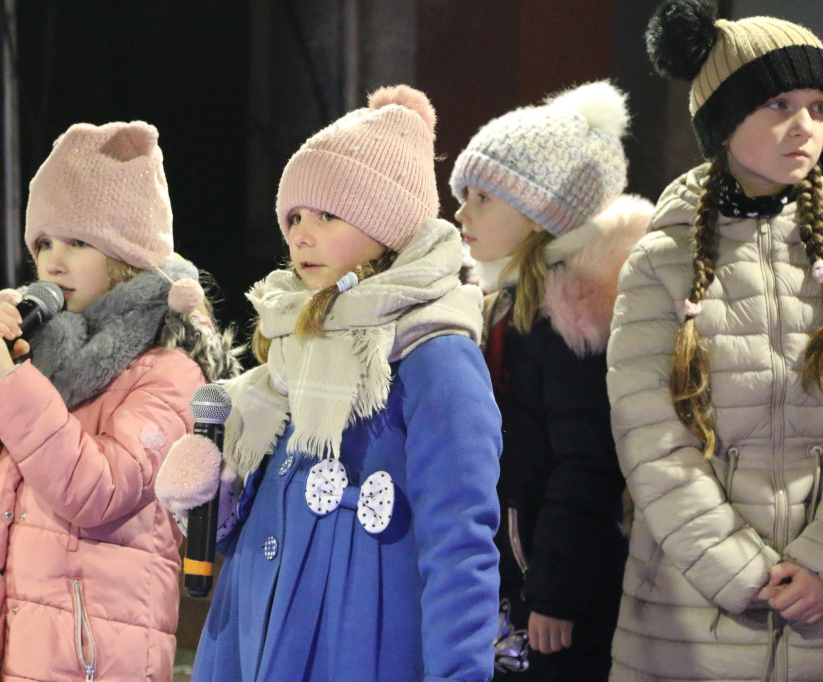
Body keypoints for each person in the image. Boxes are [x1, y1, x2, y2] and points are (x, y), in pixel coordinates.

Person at [155, 85, 502, 681]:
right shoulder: (291, 342)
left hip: (357, 649)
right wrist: (218, 490)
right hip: (253, 643)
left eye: (327, 215)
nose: (300, 234)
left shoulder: (433, 352)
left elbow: (461, 547)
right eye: (292, 217)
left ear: (386, 224)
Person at [0, 120, 240, 680]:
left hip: (95, 658)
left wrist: (8, 382)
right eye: (43, 242)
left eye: (78, 242)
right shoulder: (38, 354)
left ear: (126, 254)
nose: (54, 261)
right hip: (12, 649)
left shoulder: (169, 370)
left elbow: (99, 490)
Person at [607, 1, 823, 679]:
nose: (805, 127)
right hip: (696, 614)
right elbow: (651, 440)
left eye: (819, 106)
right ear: (723, 119)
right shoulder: (661, 260)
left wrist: (817, 564)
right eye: (779, 103)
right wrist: (746, 575)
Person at [450, 80, 650, 680]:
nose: (461, 212)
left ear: (542, 214)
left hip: (555, 584)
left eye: (483, 197)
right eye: (464, 195)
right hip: (520, 569)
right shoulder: (505, 305)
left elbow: (587, 462)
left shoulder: (568, 320)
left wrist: (555, 593)